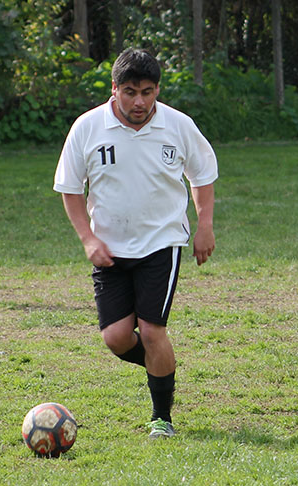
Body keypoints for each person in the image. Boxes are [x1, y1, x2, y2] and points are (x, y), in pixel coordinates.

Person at [54, 48, 217, 438]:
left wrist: (204, 226)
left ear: (158, 89)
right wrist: (87, 239)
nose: (139, 101)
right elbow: (70, 189)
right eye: (130, 91)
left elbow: (203, 175)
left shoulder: (178, 126)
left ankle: (162, 416)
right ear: (114, 89)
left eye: (147, 91)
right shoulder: (87, 127)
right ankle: (165, 368)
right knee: (115, 338)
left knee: (152, 330)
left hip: (162, 244)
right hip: (109, 249)